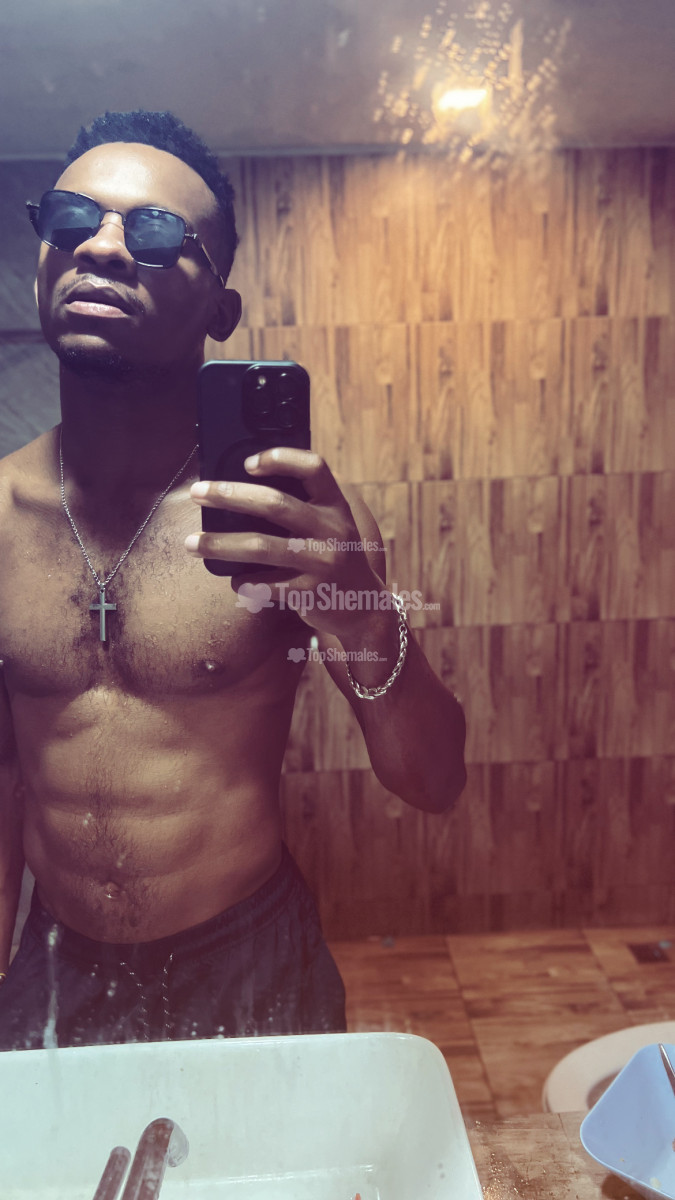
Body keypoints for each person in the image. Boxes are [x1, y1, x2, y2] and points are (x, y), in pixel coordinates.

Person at [0, 110, 466, 1050]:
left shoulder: (287, 519)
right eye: (71, 219)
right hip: (56, 966)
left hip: (249, 963)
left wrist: (364, 618)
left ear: (222, 310)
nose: (102, 247)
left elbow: (432, 781)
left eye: (156, 232)